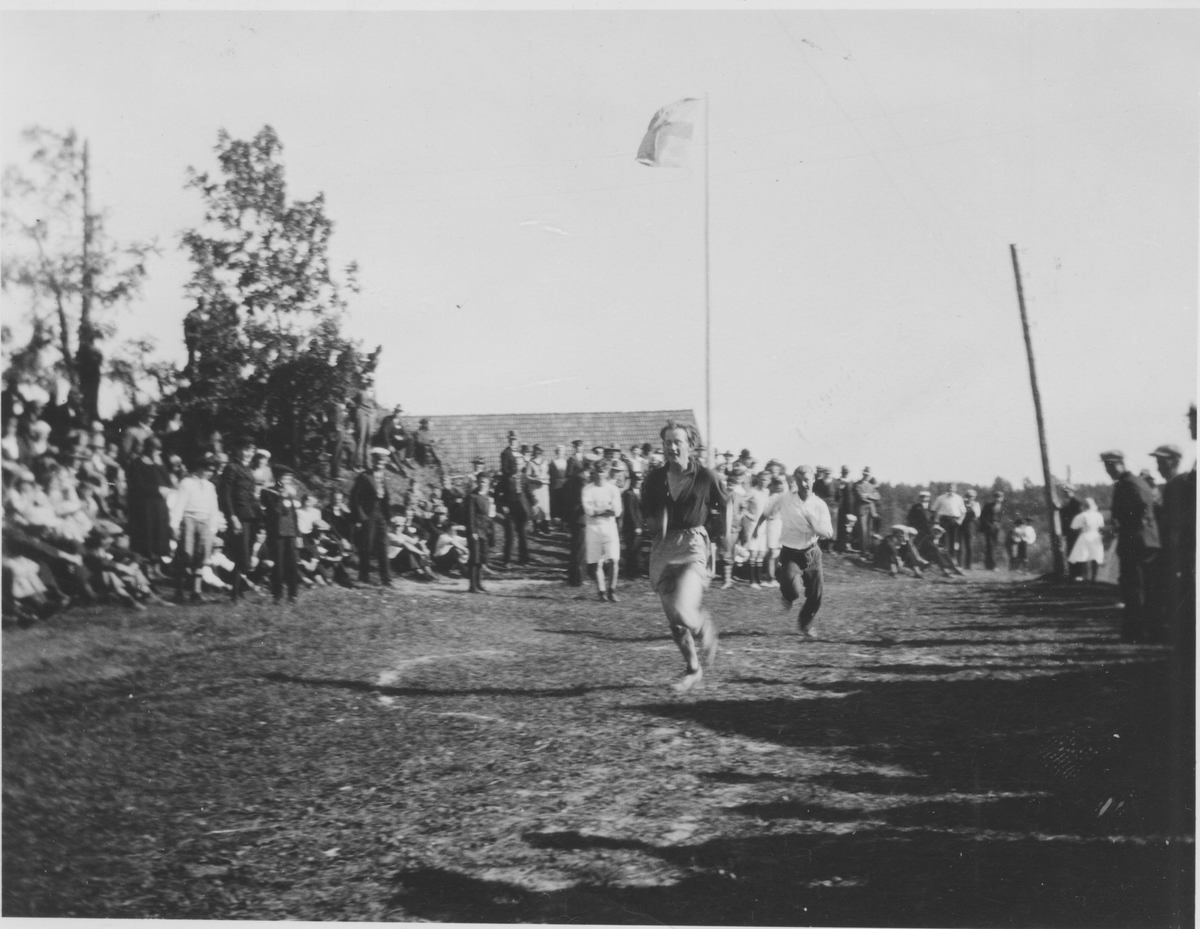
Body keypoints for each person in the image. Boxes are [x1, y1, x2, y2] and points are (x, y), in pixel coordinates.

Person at [640, 421, 725, 692]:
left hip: (693, 545)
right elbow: (647, 515)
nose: (672, 447)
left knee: (684, 611)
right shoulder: (654, 478)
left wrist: (724, 537)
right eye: (668, 443)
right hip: (663, 547)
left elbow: (725, 504)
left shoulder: (706, 476)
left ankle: (704, 625)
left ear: (691, 445)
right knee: (675, 624)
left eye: (678, 442)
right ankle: (693, 669)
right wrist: (654, 523)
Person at [755, 464, 833, 637]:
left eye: (807, 480)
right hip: (790, 553)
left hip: (812, 553)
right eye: (799, 481)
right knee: (793, 592)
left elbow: (828, 533)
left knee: (816, 595)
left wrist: (814, 526)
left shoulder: (819, 505)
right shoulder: (786, 499)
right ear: (795, 482)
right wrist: (756, 529)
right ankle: (786, 587)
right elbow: (767, 512)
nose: (804, 484)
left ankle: (805, 624)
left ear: (813, 479)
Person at [1103, 450, 1161, 642]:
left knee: (1135, 587)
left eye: (1112, 465)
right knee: (1137, 587)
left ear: (1121, 463)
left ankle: (1137, 632)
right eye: (1107, 466)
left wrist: (1124, 525)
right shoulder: (1130, 482)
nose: (1109, 470)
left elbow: (1141, 509)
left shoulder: (1130, 483)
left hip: (1137, 541)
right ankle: (1139, 631)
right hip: (1139, 540)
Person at [217, 439, 263, 600]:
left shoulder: (248, 470)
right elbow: (225, 495)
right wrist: (232, 517)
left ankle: (237, 592)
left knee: (245, 555)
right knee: (241, 554)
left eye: (252, 450)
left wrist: (259, 519)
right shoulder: (232, 467)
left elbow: (252, 497)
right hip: (238, 516)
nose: (249, 453)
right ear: (238, 450)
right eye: (246, 449)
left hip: (250, 516)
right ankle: (235, 591)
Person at [173, 455, 221, 603]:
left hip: (205, 521)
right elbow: (179, 504)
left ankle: (196, 592)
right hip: (189, 519)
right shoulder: (187, 483)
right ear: (199, 468)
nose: (210, 473)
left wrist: (213, 527)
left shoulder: (210, 486)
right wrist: (175, 525)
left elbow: (213, 508)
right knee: (186, 555)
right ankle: (179, 591)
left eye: (212, 471)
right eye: (207, 470)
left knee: (201, 557)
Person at [125, 435, 173, 579]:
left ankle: (157, 569)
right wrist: (157, 490)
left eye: (159, 450)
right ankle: (147, 571)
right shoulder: (137, 463)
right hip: (145, 507)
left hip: (160, 506)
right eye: (155, 450)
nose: (157, 453)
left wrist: (159, 465)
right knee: (147, 538)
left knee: (160, 537)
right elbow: (137, 486)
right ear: (148, 449)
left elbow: (168, 482)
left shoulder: (160, 463)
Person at [350, 447, 393, 586]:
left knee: (383, 547)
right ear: (373, 461)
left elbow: (386, 499)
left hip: (381, 516)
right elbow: (354, 498)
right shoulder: (364, 476)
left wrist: (388, 517)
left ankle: (386, 579)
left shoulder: (385, 476)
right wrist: (361, 517)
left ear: (385, 462)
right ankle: (363, 576)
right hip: (368, 516)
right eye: (377, 460)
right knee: (366, 546)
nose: (380, 463)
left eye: (383, 461)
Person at [582, 460, 623, 602]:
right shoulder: (587, 489)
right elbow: (589, 511)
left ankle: (612, 590)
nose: (600, 475)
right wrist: (606, 508)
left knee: (614, 560)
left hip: (610, 528)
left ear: (607, 472)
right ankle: (601, 592)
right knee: (596, 562)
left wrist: (598, 510)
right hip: (593, 528)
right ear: (594, 472)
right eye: (598, 471)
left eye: (603, 472)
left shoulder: (613, 489)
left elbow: (617, 511)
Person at [261, 468, 303, 602]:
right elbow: (276, 511)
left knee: (292, 564)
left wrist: (298, 535)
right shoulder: (268, 492)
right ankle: (277, 595)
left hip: (291, 533)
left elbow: (294, 516)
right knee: (278, 564)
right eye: (285, 478)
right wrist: (281, 496)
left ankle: (293, 594)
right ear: (277, 478)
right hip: (277, 533)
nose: (287, 481)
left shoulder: (289, 493)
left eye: (289, 479)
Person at [463, 471, 493, 594]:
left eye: (484, 482)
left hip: (484, 531)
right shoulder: (472, 497)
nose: (482, 484)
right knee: (474, 558)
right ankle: (472, 586)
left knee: (481, 558)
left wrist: (489, 530)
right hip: (475, 531)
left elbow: (488, 516)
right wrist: (473, 531)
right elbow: (470, 515)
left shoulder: (487, 497)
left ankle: (479, 584)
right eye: (480, 482)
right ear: (477, 482)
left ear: (488, 483)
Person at [741, 472, 770, 589]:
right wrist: (748, 515)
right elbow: (741, 503)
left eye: (766, 480)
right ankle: (752, 580)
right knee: (753, 552)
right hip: (753, 525)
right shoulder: (753, 491)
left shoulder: (767, 492)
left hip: (764, 525)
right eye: (762, 479)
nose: (763, 482)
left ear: (769, 481)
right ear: (758, 479)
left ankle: (759, 579)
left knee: (761, 553)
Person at [1067, 497, 1105, 583]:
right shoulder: (1098, 515)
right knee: (1094, 556)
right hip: (1095, 535)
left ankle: (1085, 576)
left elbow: (1074, 527)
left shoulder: (1081, 516)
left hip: (1085, 535)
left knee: (1083, 556)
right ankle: (1093, 577)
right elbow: (1101, 526)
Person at [931, 484, 966, 561]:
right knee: (943, 540)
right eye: (949, 487)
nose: (951, 489)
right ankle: (944, 560)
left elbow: (963, 512)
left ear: (956, 489)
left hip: (954, 521)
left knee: (954, 541)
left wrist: (960, 521)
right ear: (947, 488)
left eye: (952, 487)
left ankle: (952, 559)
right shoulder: (941, 498)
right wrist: (937, 520)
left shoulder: (959, 498)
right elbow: (933, 510)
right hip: (943, 521)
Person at [621, 470, 644, 578]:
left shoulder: (641, 492)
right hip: (631, 527)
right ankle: (630, 573)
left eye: (640, 479)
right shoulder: (628, 494)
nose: (638, 482)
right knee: (632, 549)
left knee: (637, 549)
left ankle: (636, 571)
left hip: (640, 524)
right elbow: (630, 511)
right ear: (632, 480)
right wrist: (636, 526)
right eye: (636, 479)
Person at [525, 444, 552, 534]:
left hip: (544, 487)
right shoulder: (531, 463)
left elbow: (548, 474)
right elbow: (527, 476)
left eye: (540, 451)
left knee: (545, 506)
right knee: (537, 506)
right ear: (534, 451)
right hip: (535, 488)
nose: (539, 452)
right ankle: (537, 526)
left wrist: (546, 479)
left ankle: (546, 526)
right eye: (537, 450)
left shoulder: (545, 462)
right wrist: (535, 480)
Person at [853, 467, 880, 554]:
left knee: (869, 530)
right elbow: (860, 496)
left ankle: (868, 550)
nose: (866, 476)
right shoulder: (857, 484)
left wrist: (867, 495)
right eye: (865, 474)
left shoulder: (871, 486)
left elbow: (877, 497)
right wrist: (870, 497)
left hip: (871, 510)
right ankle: (863, 551)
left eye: (868, 475)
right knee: (863, 530)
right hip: (862, 509)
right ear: (863, 474)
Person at [979, 491, 1005, 570]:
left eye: (1000, 497)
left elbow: (1000, 518)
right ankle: (993, 565)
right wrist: (989, 525)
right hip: (988, 527)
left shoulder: (1001, 506)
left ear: (1002, 498)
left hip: (997, 527)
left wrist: (999, 525)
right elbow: (982, 517)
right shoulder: (988, 505)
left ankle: (988, 565)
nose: (998, 499)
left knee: (994, 545)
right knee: (990, 545)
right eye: (996, 497)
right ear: (994, 498)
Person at [549, 445, 570, 528]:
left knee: (565, 503)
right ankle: (556, 522)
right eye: (559, 451)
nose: (561, 452)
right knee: (556, 503)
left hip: (565, 484)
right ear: (556, 452)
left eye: (562, 451)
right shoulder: (553, 462)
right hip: (556, 484)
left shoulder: (567, 462)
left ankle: (564, 523)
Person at [835, 465, 853, 552]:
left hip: (849, 507)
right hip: (840, 507)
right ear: (842, 472)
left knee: (848, 527)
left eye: (847, 472)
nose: (846, 473)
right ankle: (839, 545)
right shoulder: (838, 481)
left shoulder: (851, 482)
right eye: (844, 472)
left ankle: (846, 544)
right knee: (840, 526)